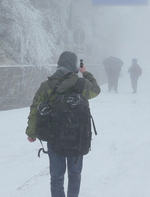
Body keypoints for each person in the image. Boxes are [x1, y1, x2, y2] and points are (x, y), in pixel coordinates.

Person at [26, 51, 101, 197]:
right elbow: (96, 90)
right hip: (78, 137)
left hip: (55, 137)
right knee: (75, 175)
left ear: (58, 65)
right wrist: (85, 72)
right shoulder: (82, 84)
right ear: (74, 66)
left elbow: (35, 108)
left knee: (56, 176)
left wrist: (31, 133)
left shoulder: (47, 85)